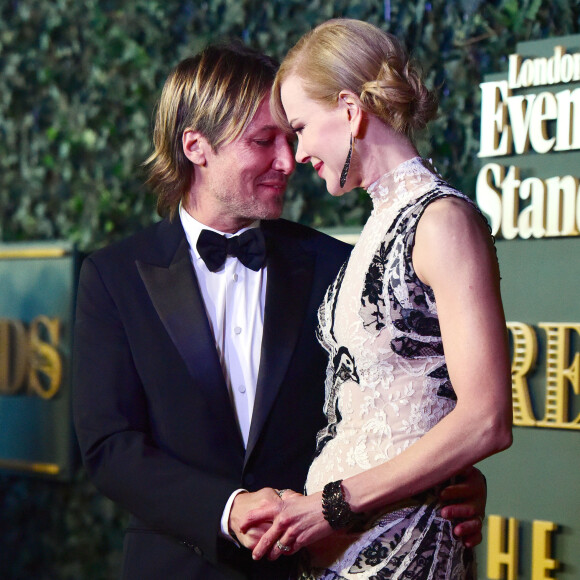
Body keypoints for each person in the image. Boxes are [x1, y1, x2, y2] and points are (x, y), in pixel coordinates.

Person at [72, 41, 489, 580]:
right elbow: (111, 446)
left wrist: (451, 483)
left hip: (320, 562)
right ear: (196, 147)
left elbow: (398, 401)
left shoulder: (337, 264)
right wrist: (227, 509)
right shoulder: (114, 277)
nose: (287, 162)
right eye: (263, 141)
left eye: (290, 139)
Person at [241, 19, 513, 579]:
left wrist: (334, 506)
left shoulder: (442, 222)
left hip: (406, 548)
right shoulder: (373, 228)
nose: (296, 153)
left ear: (348, 109)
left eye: (300, 127)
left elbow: (486, 419)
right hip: (341, 551)